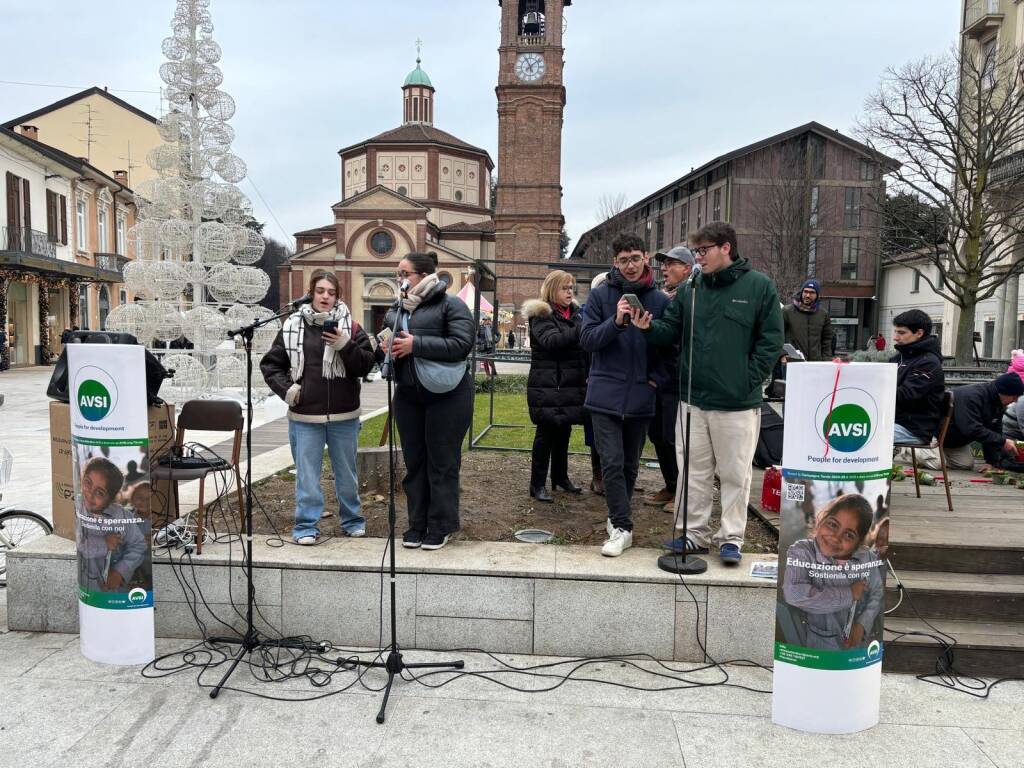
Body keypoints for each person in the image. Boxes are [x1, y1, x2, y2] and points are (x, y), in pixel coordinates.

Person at [634, 221, 784, 565]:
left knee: (735, 473)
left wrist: (749, 380)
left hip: (737, 403)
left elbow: (771, 341)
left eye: (703, 250)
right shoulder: (692, 288)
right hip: (692, 401)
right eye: (696, 251)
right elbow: (671, 329)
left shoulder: (759, 287)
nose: (698, 257)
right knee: (693, 472)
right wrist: (648, 327)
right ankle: (692, 534)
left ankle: (731, 538)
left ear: (726, 248)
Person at [261, 270, 377, 544]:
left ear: (338, 296)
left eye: (331, 292)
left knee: (346, 475)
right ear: (311, 292)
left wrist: (345, 345)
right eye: (321, 291)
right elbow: (271, 365)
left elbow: (365, 365)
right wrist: (288, 390)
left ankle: (352, 520)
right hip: (305, 415)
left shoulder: (352, 327)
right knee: (307, 476)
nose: (325, 296)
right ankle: (306, 526)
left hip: (344, 414)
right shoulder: (291, 326)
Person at [581, 233, 671, 557]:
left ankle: (616, 517)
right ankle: (622, 527)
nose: (630, 265)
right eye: (623, 260)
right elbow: (588, 339)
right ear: (615, 262)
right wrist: (616, 321)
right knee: (612, 462)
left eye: (635, 258)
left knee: (630, 465)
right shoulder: (600, 296)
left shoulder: (660, 301)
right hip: (604, 394)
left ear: (645, 257)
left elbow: (670, 350)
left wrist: (655, 381)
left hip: (640, 396)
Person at [384, 252, 475, 551]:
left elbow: (462, 345)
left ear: (423, 276)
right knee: (415, 463)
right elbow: (389, 350)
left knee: (442, 462)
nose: (399, 280)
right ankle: (416, 524)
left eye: (404, 273)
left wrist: (416, 344)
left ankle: (441, 526)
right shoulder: (395, 311)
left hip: (448, 396)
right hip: (409, 395)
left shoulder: (451, 304)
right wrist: (383, 348)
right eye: (398, 274)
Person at [780, 494, 884, 650]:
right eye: (833, 525)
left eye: (849, 535)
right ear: (822, 519)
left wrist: (863, 623)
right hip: (822, 645)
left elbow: (878, 592)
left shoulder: (866, 556)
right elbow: (794, 593)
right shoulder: (802, 551)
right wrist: (849, 594)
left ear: (858, 543)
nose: (836, 537)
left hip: (860, 646)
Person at [523, 270, 588, 502]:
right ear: (552, 289)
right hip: (548, 385)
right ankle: (537, 484)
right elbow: (553, 342)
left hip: (569, 385)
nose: (570, 292)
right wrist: (582, 328)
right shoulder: (542, 315)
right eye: (564, 288)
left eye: (572, 287)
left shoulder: (576, 314)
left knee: (564, 432)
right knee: (546, 435)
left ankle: (560, 477)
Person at [645, 245, 694, 510]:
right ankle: (671, 485)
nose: (664, 269)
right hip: (659, 379)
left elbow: (679, 344)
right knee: (658, 435)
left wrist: (663, 375)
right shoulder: (668, 297)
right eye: (663, 264)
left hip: (676, 380)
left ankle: (684, 494)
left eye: (671, 264)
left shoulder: (692, 298)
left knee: (674, 438)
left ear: (687, 268)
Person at [76, 457, 147, 593]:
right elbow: (79, 544)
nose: (90, 494)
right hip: (85, 586)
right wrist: (104, 543)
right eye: (88, 483)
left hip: (112, 589)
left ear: (110, 499)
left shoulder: (121, 516)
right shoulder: (77, 507)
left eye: (99, 493)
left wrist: (120, 571)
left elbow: (139, 545)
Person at [942, 373, 1024, 471]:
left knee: (966, 464)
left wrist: (991, 462)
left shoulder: (998, 403)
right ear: (1004, 391)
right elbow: (971, 429)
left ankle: (938, 455)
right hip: (934, 435)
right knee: (938, 464)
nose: (1015, 401)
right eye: (1014, 397)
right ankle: (922, 452)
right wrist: (1003, 441)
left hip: (953, 442)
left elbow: (994, 430)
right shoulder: (972, 397)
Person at [890, 310, 946, 445]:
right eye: (895, 332)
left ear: (919, 333)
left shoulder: (929, 362)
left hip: (915, 429)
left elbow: (906, 395)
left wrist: (876, 389)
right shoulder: (898, 358)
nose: (895, 337)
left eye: (901, 333)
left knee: (863, 433)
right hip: (894, 421)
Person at [783, 278, 832, 362]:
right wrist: (782, 354)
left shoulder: (823, 314)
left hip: (816, 364)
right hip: (793, 362)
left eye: (812, 292)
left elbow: (826, 340)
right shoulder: (787, 311)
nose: (808, 295)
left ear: (817, 295)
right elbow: (778, 335)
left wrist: (826, 361)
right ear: (802, 292)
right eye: (805, 291)